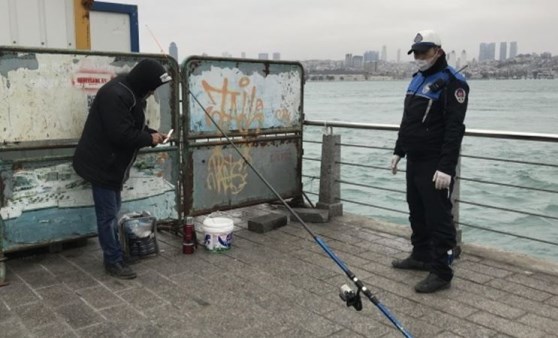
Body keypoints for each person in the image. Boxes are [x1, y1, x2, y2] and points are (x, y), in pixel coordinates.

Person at [73, 59, 172, 279]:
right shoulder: (115, 95)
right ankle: (113, 261)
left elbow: (132, 125)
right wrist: (149, 138)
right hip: (102, 165)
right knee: (107, 216)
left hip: (111, 165)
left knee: (112, 210)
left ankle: (115, 253)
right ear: (144, 82)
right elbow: (120, 134)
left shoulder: (132, 93)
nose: (153, 91)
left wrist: (152, 133)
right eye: (152, 86)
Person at [390, 29, 469, 293]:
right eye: (417, 53)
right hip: (415, 157)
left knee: (438, 217)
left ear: (438, 50)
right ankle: (421, 255)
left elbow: (454, 128)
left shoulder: (453, 81)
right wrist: (398, 151)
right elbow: (407, 121)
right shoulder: (416, 81)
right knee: (417, 210)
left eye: (425, 52)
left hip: (435, 160)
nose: (420, 57)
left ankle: (442, 272)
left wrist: (446, 167)